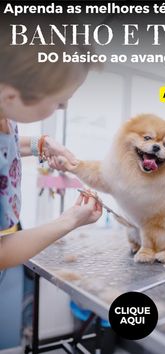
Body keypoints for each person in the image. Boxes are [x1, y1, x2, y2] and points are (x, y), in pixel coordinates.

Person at [0, 15, 103, 269]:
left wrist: (40, 144)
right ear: (11, 95)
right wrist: (69, 221)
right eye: (59, 102)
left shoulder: (5, 112)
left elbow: (6, 146)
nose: (64, 108)